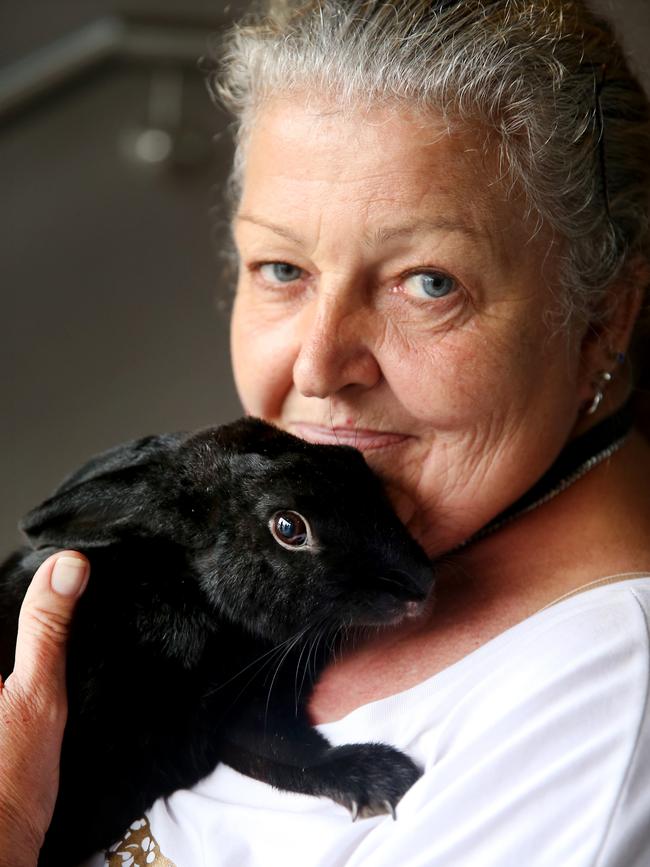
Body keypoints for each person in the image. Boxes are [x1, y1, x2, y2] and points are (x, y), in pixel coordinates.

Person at [3, 0, 650, 864]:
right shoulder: (250, 552)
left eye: (428, 283)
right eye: (282, 267)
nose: (317, 365)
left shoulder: (598, 723)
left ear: (603, 317)